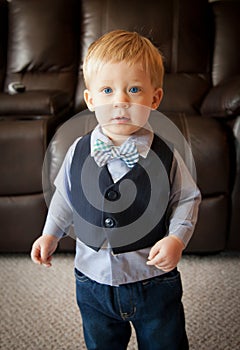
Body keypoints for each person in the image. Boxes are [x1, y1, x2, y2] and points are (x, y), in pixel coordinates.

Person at [31, 30, 201, 350]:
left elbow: (186, 199)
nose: (120, 101)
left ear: (154, 98)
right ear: (91, 99)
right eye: (107, 90)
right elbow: (66, 198)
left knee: (165, 341)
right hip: (91, 282)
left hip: (152, 279)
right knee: (101, 343)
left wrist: (177, 238)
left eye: (134, 89)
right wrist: (50, 233)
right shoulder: (78, 151)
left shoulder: (165, 155)